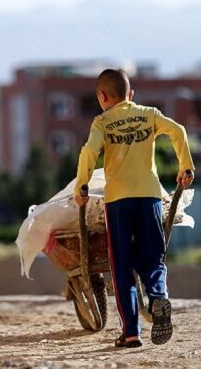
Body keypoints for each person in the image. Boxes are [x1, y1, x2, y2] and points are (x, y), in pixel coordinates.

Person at [74, 69, 194, 348]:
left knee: (122, 267)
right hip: (149, 197)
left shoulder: (102, 122)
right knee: (154, 257)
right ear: (131, 95)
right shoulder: (148, 113)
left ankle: (131, 332)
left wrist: (81, 186)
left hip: (117, 202)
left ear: (102, 96)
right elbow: (179, 131)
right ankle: (157, 297)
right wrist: (185, 167)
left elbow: (89, 152)